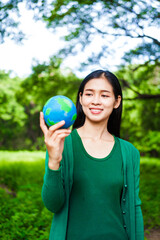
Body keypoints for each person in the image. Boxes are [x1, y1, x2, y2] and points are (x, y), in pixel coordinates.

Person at [40, 70, 144, 240]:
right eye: (89, 94)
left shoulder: (129, 152)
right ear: (81, 99)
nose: (96, 101)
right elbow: (53, 204)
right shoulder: (61, 143)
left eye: (104, 95)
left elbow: (134, 208)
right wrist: (53, 161)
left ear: (117, 101)